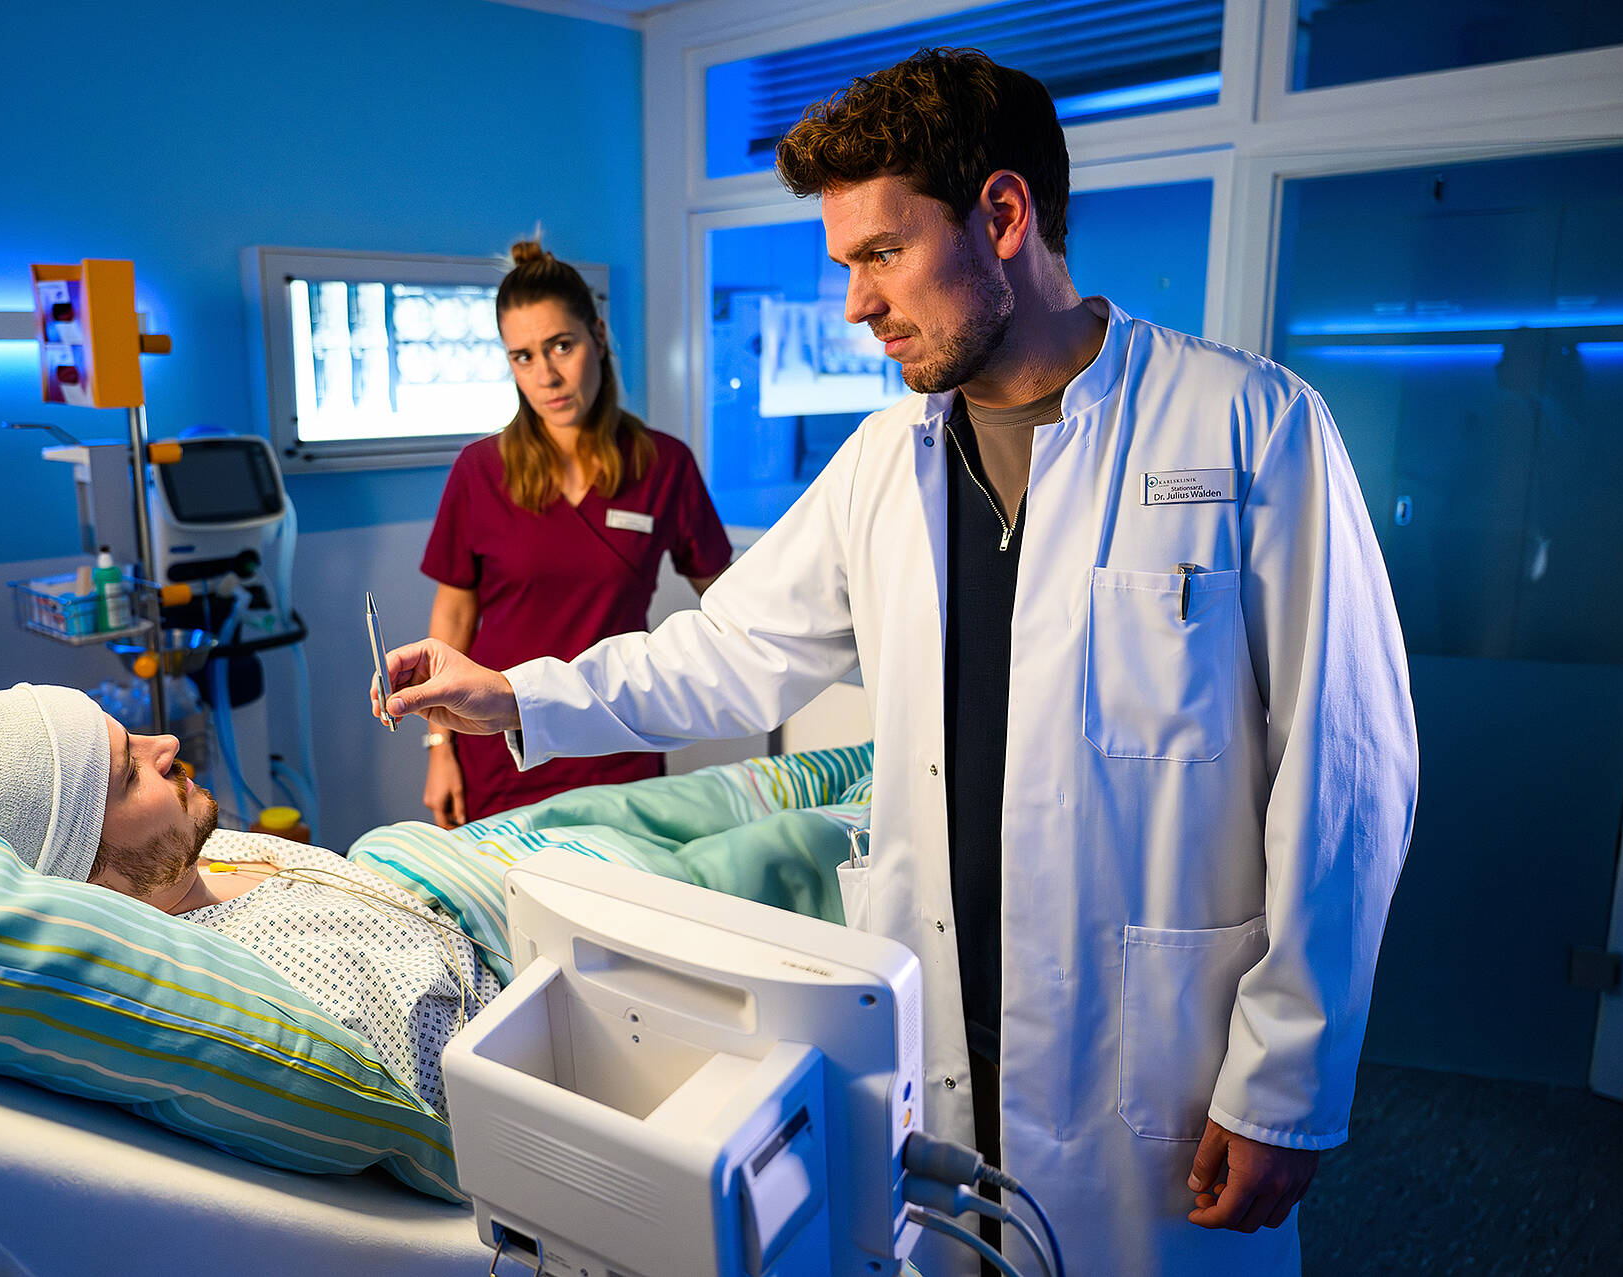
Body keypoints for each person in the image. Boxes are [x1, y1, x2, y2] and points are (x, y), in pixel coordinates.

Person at [374, 49, 1419, 1277]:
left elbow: (1345, 770)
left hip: (1154, 1067)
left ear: (1002, 215)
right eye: (844, 267)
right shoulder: (885, 461)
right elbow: (725, 650)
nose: (855, 306)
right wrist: (514, 695)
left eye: (880, 254)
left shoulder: (1248, 429)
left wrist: (1284, 1076)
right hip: (935, 1039)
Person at [0, 683, 498, 1119]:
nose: (165, 743)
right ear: (85, 872)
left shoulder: (194, 851)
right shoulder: (280, 984)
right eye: (130, 774)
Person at [417, 239, 733, 828]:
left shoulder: (664, 466)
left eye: (562, 345)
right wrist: (439, 750)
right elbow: (452, 625)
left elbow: (729, 602)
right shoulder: (480, 471)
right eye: (524, 357)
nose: (548, 376)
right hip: (502, 743)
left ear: (599, 335)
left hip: (619, 738)